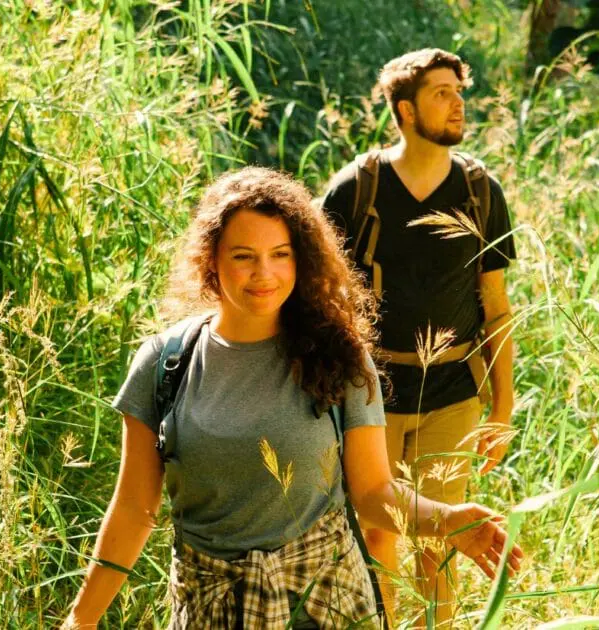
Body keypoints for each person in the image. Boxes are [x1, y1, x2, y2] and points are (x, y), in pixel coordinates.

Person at [63, 167, 521, 629]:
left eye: (280, 254)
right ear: (211, 260)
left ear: (301, 260)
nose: (264, 274)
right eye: (244, 256)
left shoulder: (339, 357)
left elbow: (372, 492)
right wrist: (80, 622)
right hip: (210, 606)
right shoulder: (165, 363)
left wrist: (448, 520)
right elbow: (133, 510)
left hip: (324, 602)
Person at [319, 48, 519, 626]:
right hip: (369, 394)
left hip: (453, 394)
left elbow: (496, 307)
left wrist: (503, 406)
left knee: (441, 539)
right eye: (441, 93)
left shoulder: (481, 191)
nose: (458, 103)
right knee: (379, 537)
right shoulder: (357, 188)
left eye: (460, 91)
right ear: (405, 110)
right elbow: (316, 294)